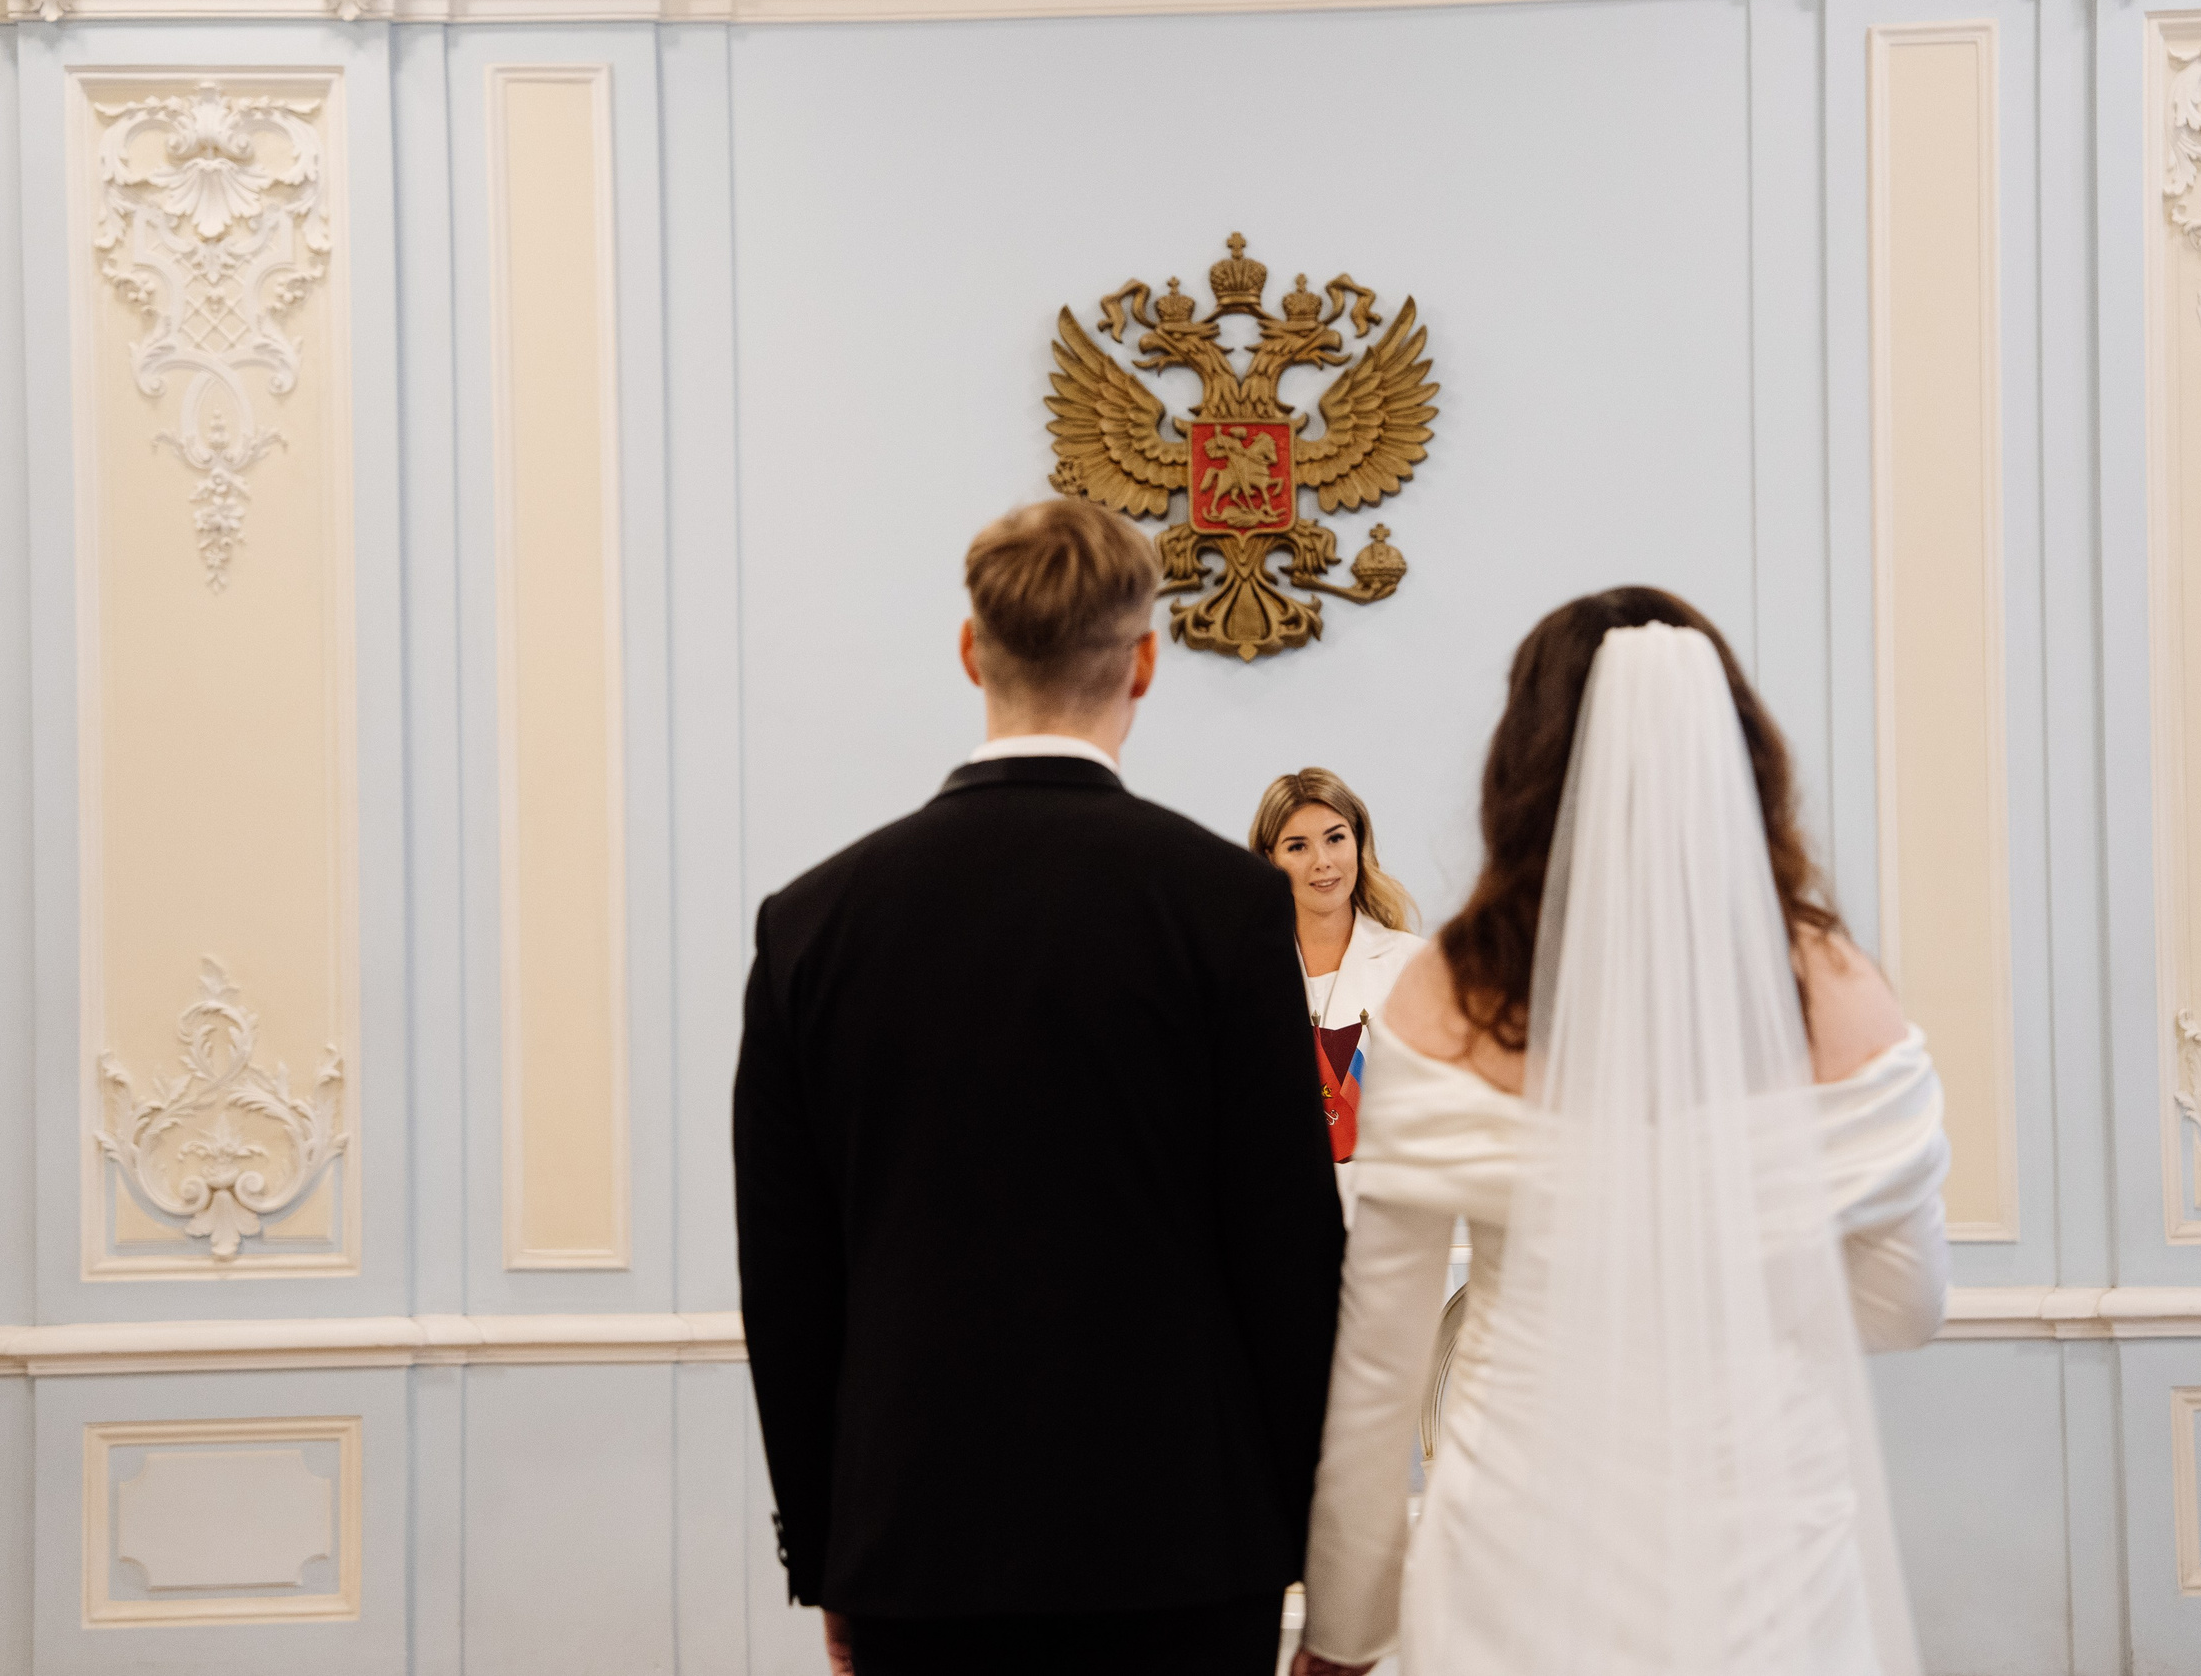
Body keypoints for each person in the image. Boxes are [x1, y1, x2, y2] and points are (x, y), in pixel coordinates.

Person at [733, 498, 1345, 1676]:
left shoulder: (813, 924)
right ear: (1147, 662)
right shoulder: (1224, 908)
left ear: (972, 651)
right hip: (1184, 1544)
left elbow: (790, 1277)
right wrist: (1321, 1548)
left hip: (913, 1540)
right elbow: (1289, 1255)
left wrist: (827, 1551)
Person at [1293, 588, 1952, 1676]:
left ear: (1521, 772)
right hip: (1764, 1534)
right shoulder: (1836, 990)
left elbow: (1382, 1358)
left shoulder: (1444, 995)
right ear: (1739, 758)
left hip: (1519, 1528)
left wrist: (1347, 1628)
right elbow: (1902, 1304)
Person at [1248, 769, 1424, 1215]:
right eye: (1297, 846)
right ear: (1269, 858)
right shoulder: (1240, 974)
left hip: (1388, 1226)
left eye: (1335, 838)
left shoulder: (1413, 967)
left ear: (1358, 843)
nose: (1322, 861)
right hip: (1273, 1225)